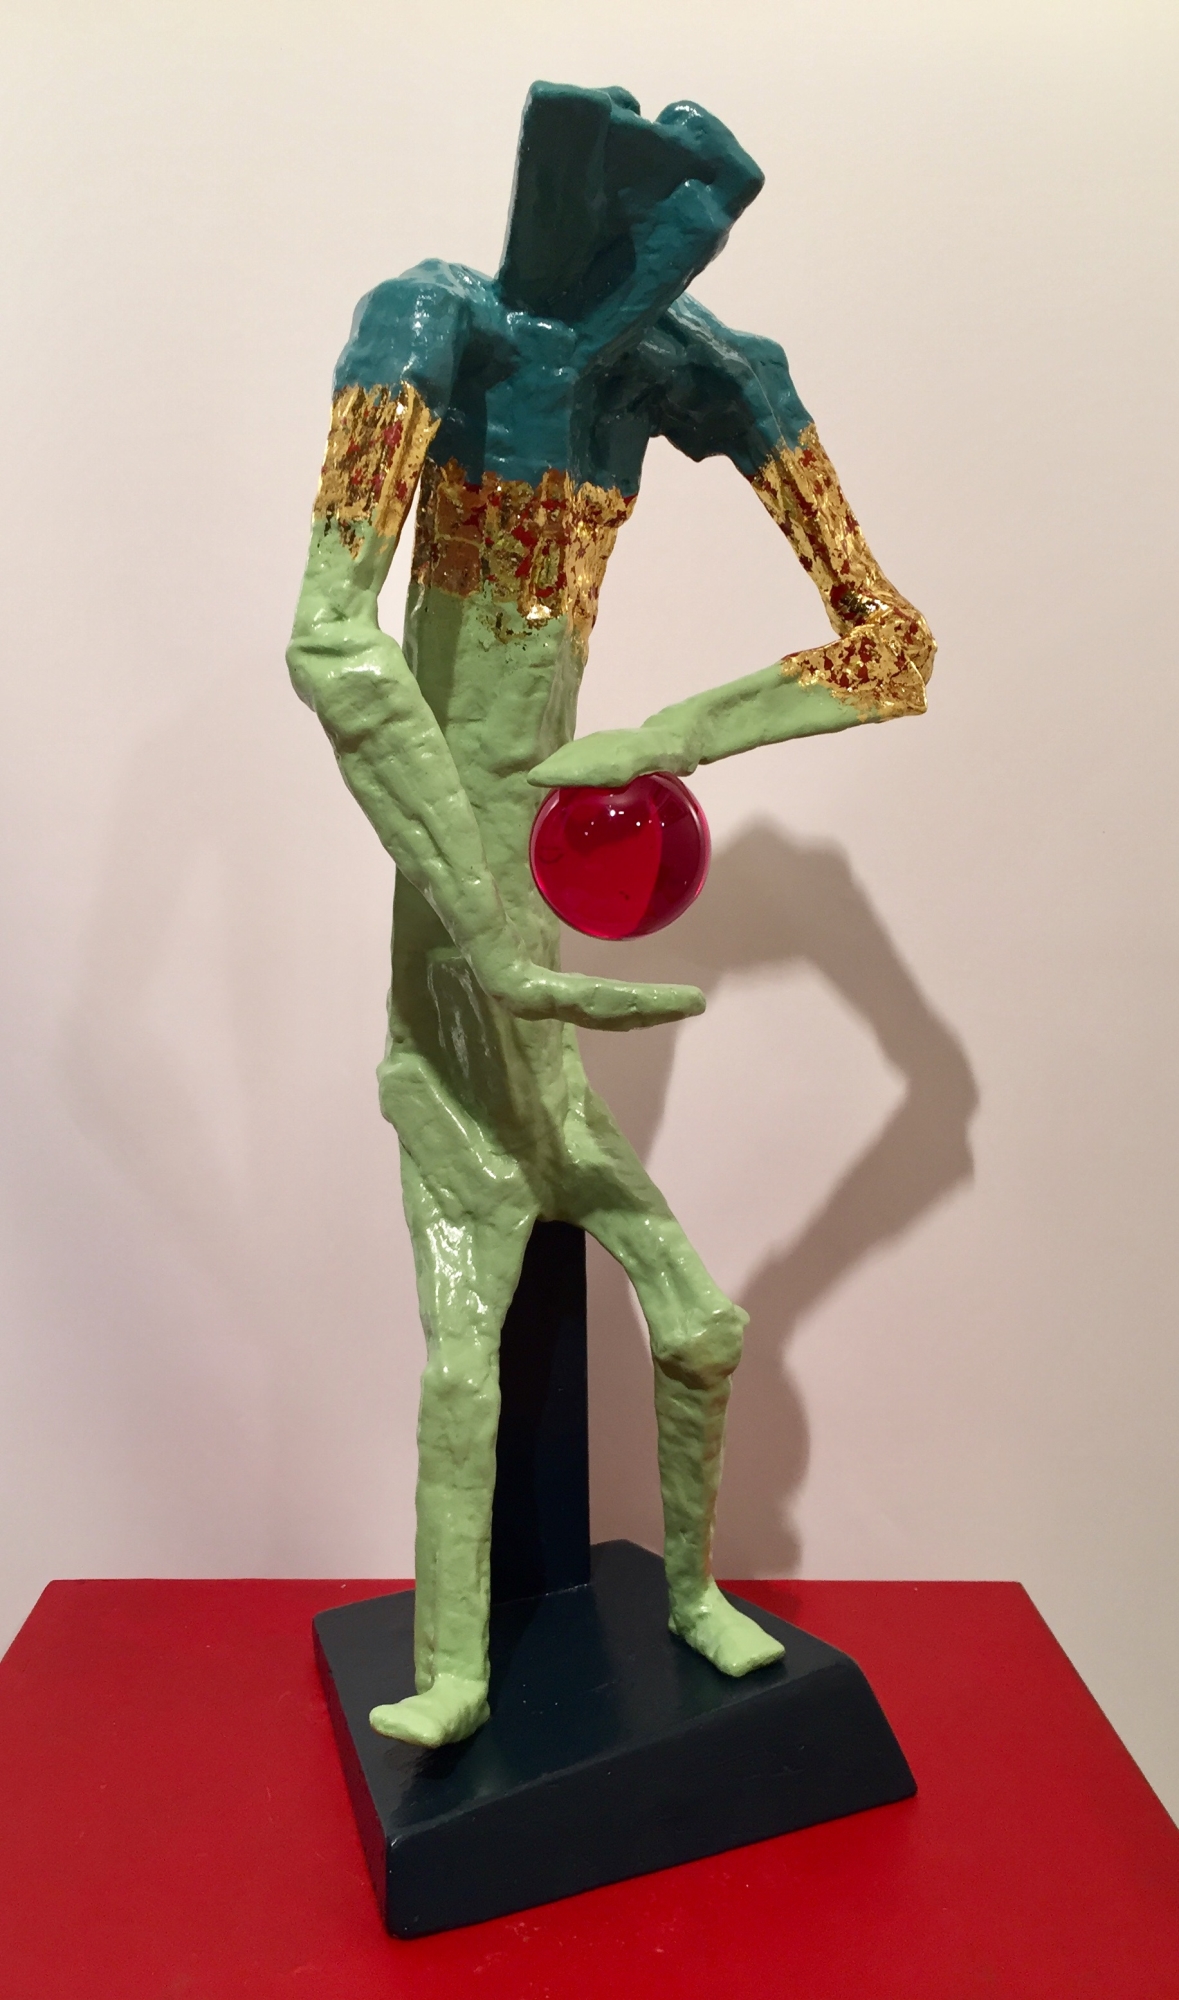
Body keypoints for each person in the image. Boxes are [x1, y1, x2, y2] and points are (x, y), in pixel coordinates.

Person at [287, 81, 934, 1748]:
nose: (665, 271)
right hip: (457, 1002)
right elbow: (334, 643)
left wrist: (673, 735)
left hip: (531, 987)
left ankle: (694, 1594)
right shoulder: (427, 324)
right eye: (652, 226)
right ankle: (453, 1668)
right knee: (466, 1360)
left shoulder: (707, 368)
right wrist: (493, 946)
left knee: (699, 1322)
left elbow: (891, 646)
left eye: (697, 240)